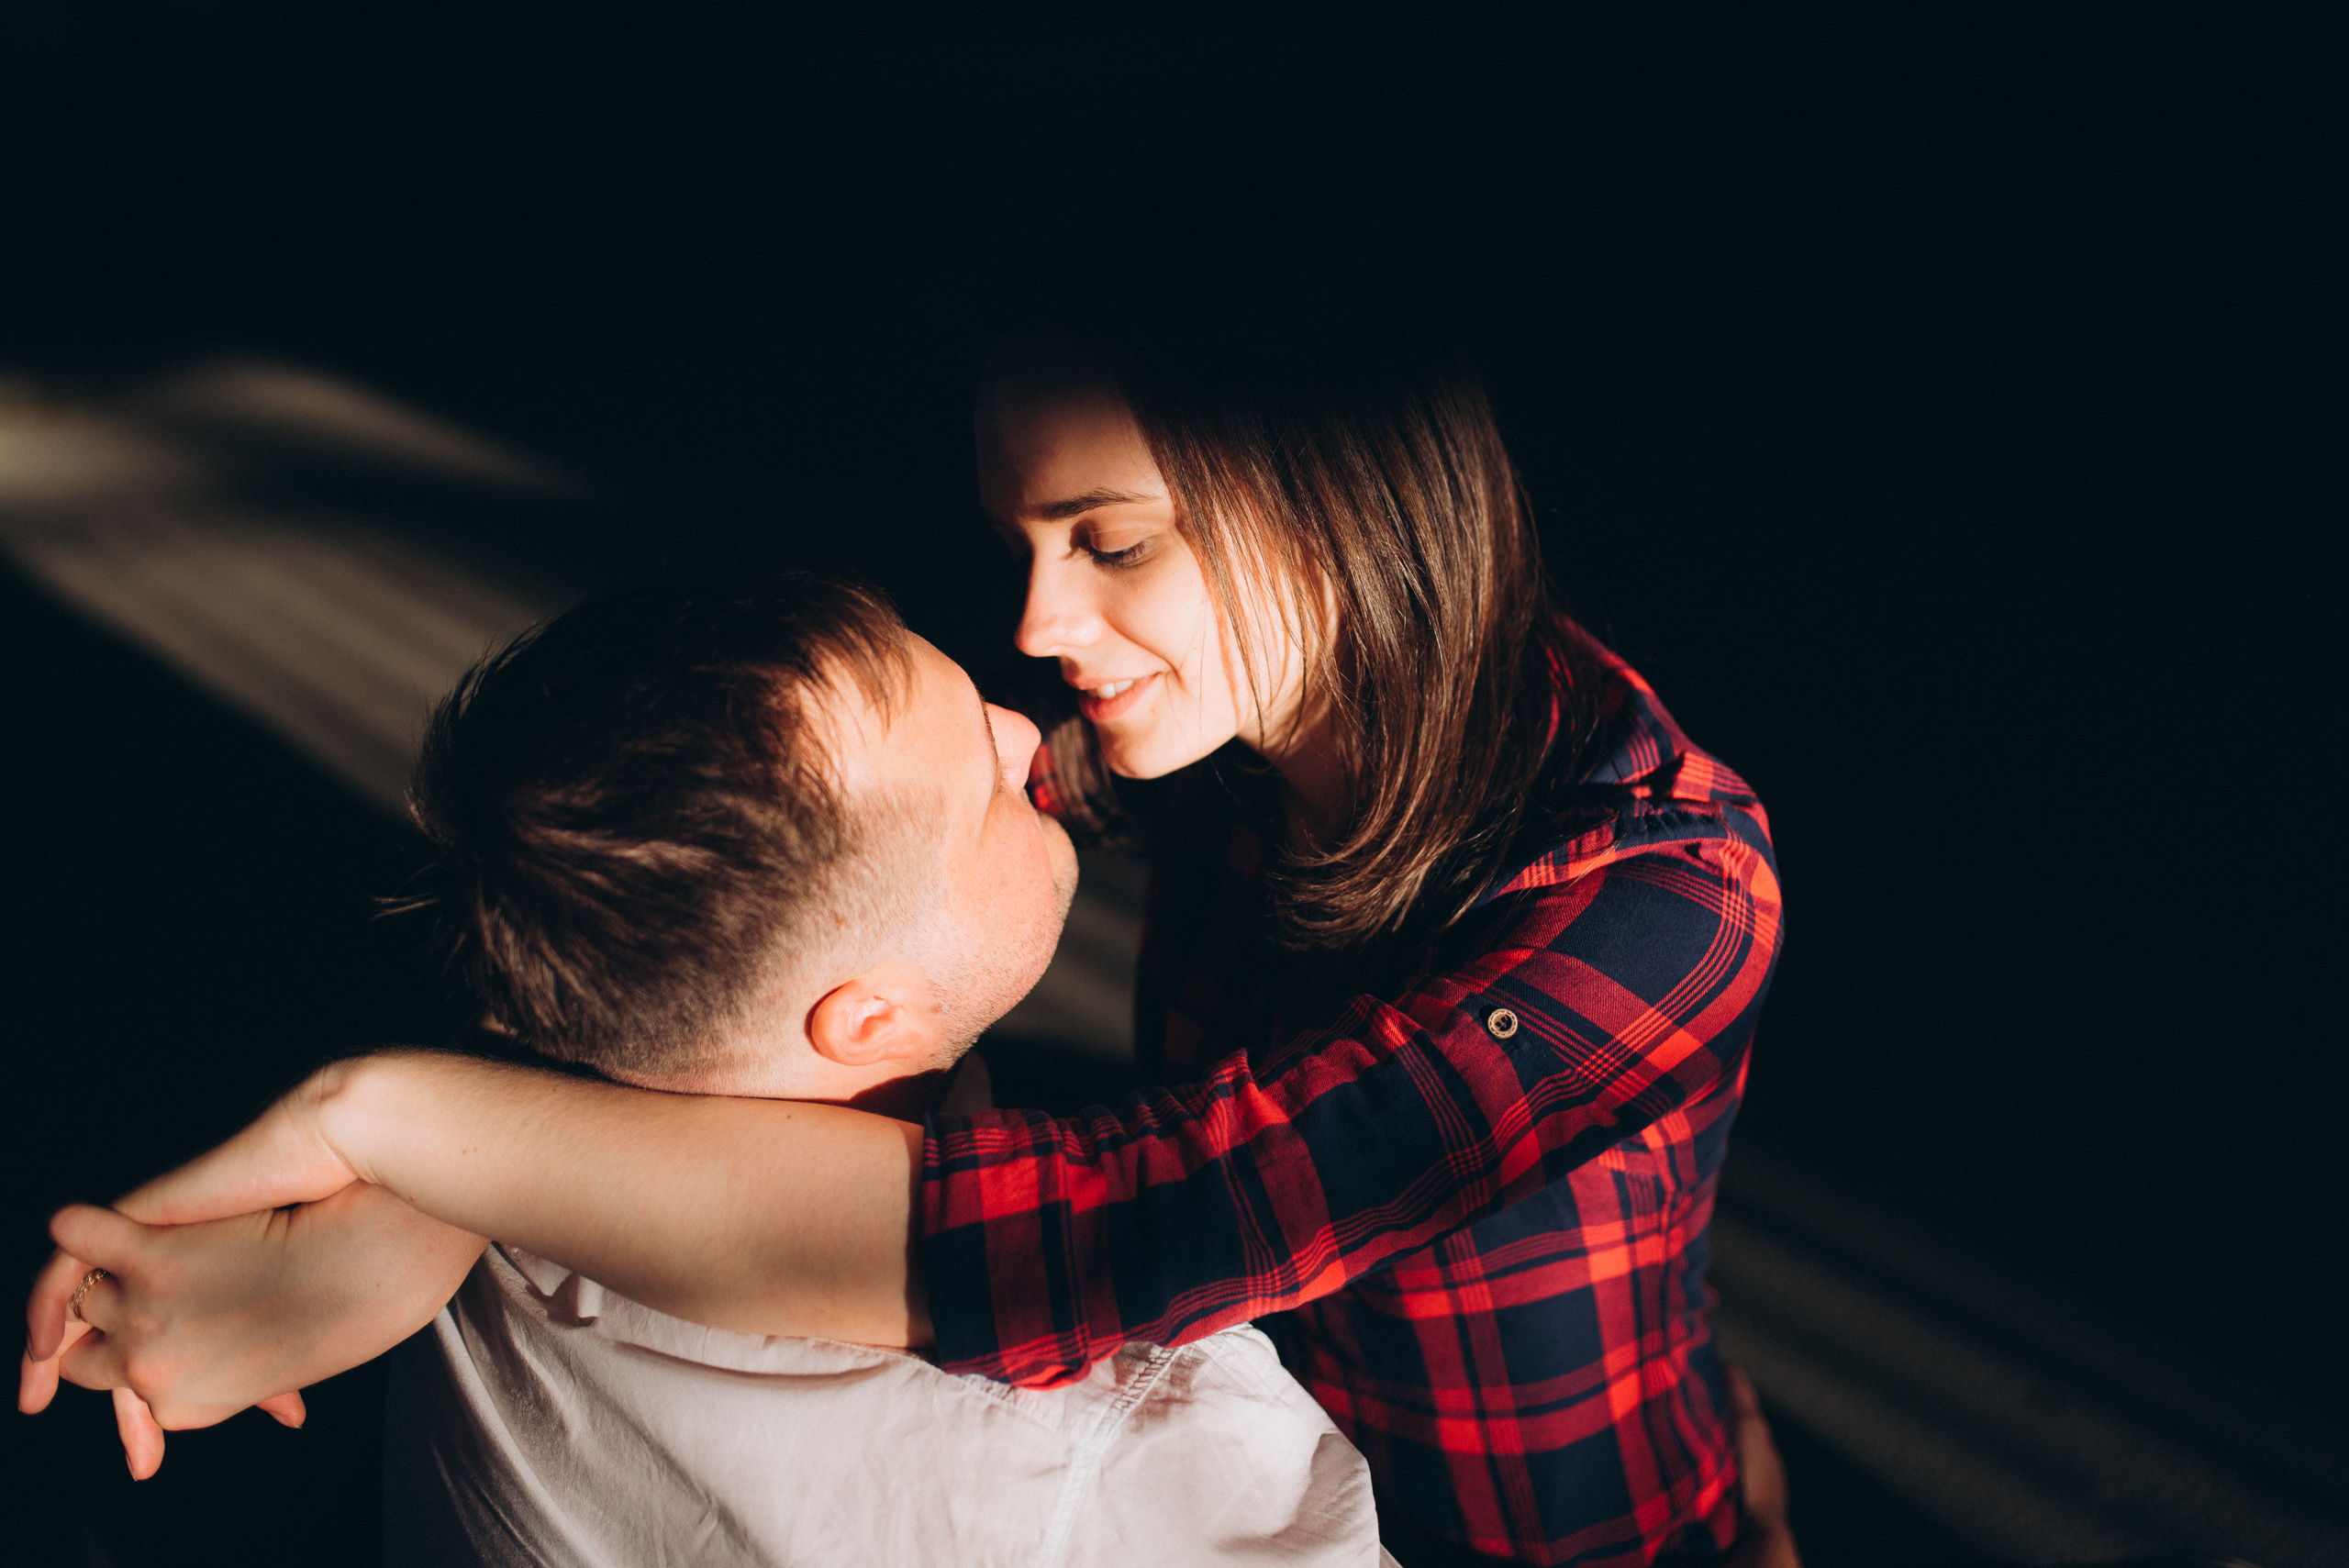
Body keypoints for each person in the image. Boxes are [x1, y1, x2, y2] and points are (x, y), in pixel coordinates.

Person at [25, 307, 1785, 1566]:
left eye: (1110, 542)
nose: (1037, 620)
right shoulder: (1209, 717)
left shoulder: (1671, 895)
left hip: (1547, 1523)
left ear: (1347, 503)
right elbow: (743, 949)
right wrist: (414, 1217)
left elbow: (1144, 1219)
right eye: (1025, 537)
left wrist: (396, 1123)